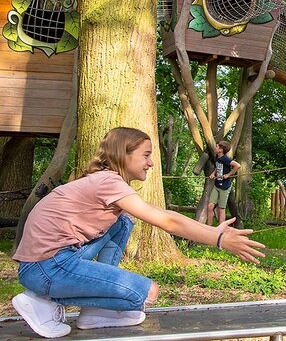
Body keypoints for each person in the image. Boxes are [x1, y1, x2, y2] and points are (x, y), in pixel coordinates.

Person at [11, 127, 265, 338]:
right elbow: (168, 221)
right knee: (145, 294)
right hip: (46, 267)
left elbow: (165, 215)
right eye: (145, 155)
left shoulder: (106, 181)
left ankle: (92, 311)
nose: (151, 162)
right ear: (124, 154)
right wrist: (218, 239)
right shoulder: (108, 182)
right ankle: (43, 301)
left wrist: (212, 231)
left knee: (123, 222)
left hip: (51, 259)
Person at [206, 140, 240, 225]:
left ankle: (221, 229)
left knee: (221, 209)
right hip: (217, 186)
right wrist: (213, 174)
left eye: (217, 146)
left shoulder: (225, 159)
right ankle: (209, 227)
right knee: (210, 206)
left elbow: (237, 165)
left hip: (224, 187)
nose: (215, 147)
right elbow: (218, 167)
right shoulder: (218, 157)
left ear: (221, 150)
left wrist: (228, 174)